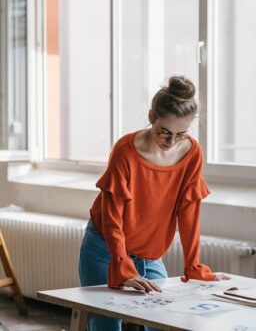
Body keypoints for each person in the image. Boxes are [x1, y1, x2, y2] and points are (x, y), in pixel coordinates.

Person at [78, 75, 229, 331]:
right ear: (151, 117)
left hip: (149, 255)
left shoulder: (192, 153)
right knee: (106, 325)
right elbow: (112, 216)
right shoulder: (125, 150)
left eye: (181, 134)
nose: (171, 142)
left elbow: (189, 212)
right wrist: (123, 267)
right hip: (105, 248)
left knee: (163, 321)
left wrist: (193, 267)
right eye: (165, 132)